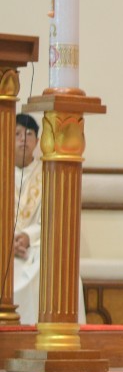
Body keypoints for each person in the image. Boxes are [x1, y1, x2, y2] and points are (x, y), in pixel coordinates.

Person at [12, 114, 43, 324]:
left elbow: (52, 219)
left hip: (34, 244)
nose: (23, 139)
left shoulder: (48, 173)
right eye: (17, 134)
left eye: (29, 134)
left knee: (48, 267)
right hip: (4, 245)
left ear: (38, 141)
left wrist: (26, 237)